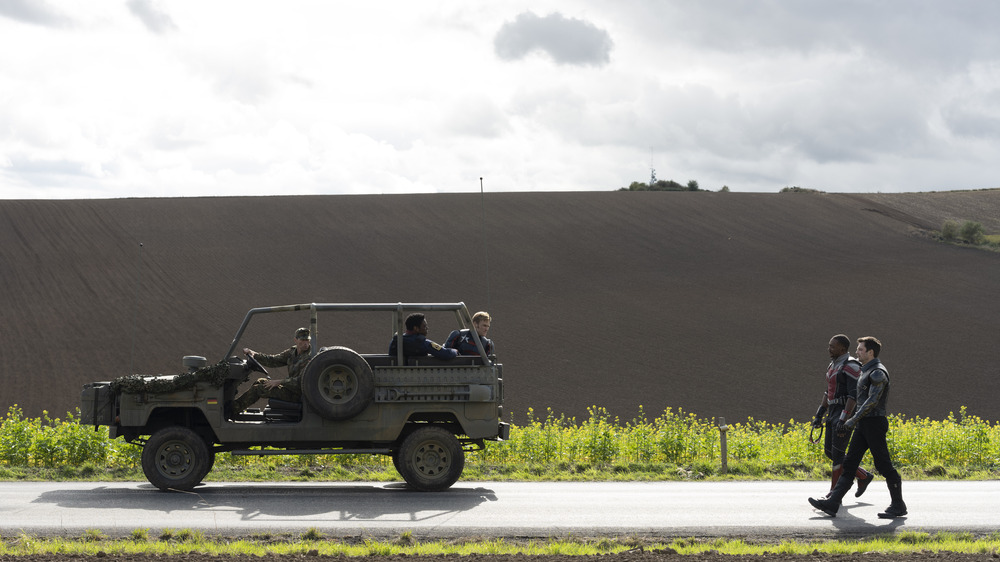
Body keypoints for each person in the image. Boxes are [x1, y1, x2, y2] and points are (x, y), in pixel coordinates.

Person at [809, 336, 907, 519]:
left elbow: (871, 401)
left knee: (883, 465)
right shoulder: (865, 370)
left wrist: (851, 420)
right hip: (863, 423)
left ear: (870, 352)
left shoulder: (877, 373)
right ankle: (832, 503)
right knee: (850, 464)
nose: (856, 352)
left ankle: (898, 504)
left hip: (874, 424)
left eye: (860, 349)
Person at [811, 334, 874, 497]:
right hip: (833, 411)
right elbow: (829, 391)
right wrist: (819, 413)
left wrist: (844, 419)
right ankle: (862, 475)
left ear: (843, 349)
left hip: (845, 413)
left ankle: (834, 494)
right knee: (830, 452)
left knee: (838, 454)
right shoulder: (833, 365)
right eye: (829, 345)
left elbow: (854, 395)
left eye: (832, 346)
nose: (829, 348)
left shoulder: (851, 365)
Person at [228, 327, 312, 415]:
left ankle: (231, 410)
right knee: (260, 381)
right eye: (302, 340)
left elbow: (301, 382)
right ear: (295, 340)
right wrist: (255, 355)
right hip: (290, 389)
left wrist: (279, 382)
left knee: (258, 389)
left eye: (307, 340)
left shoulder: (310, 358)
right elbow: (273, 360)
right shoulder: (292, 352)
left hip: (297, 394)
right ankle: (238, 408)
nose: (306, 343)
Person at [388, 313, 458, 360]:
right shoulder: (422, 343)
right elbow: (446, 354)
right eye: (424, 326)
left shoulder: (396, 340)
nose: (427, 328)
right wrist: (455, 351)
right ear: (416, 328)